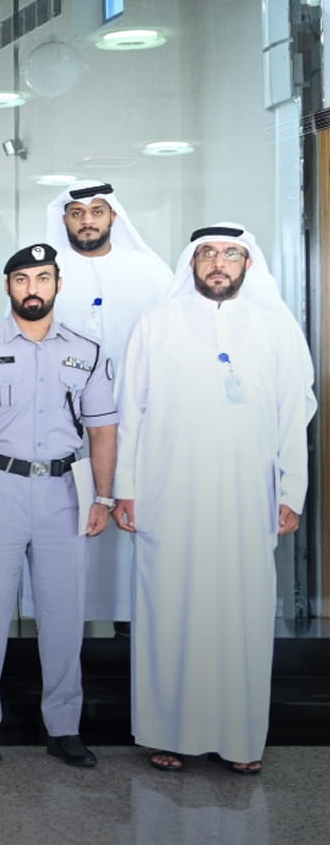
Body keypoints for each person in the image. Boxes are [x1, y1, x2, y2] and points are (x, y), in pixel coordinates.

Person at [116, 224, 314, 775]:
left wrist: (290, 491)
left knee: (243, 611)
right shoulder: (155, 324)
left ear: (248, 265)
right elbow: (129, 411)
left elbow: (291, 417)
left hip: (248, 495)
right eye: (207, 253)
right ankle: (169, 733)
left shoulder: (276, 328)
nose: (218, 263)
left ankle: (241, 739)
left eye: (231, 254)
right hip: (167, 492)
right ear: (192, 263)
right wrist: (123, 489)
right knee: (171, 609)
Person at [0, 243, 115, 770]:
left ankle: (63, 726)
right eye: (22, 279)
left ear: (58, 284)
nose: (32, 288)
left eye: (43, 277)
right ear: (7, 286)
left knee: (63, 616)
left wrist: (104, 496)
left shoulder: (87, 350)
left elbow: (103, 429)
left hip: (64, 493)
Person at [44, 180, 171, 634]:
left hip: (138, 424)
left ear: (114, 215)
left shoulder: (149, 272)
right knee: (70, 532)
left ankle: (129, 629)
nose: (87, 221)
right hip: (66, 430)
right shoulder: (47, 276)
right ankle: (64, 635)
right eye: (77, 213)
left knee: (128, 535)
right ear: (65, 220)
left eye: (97, 211)